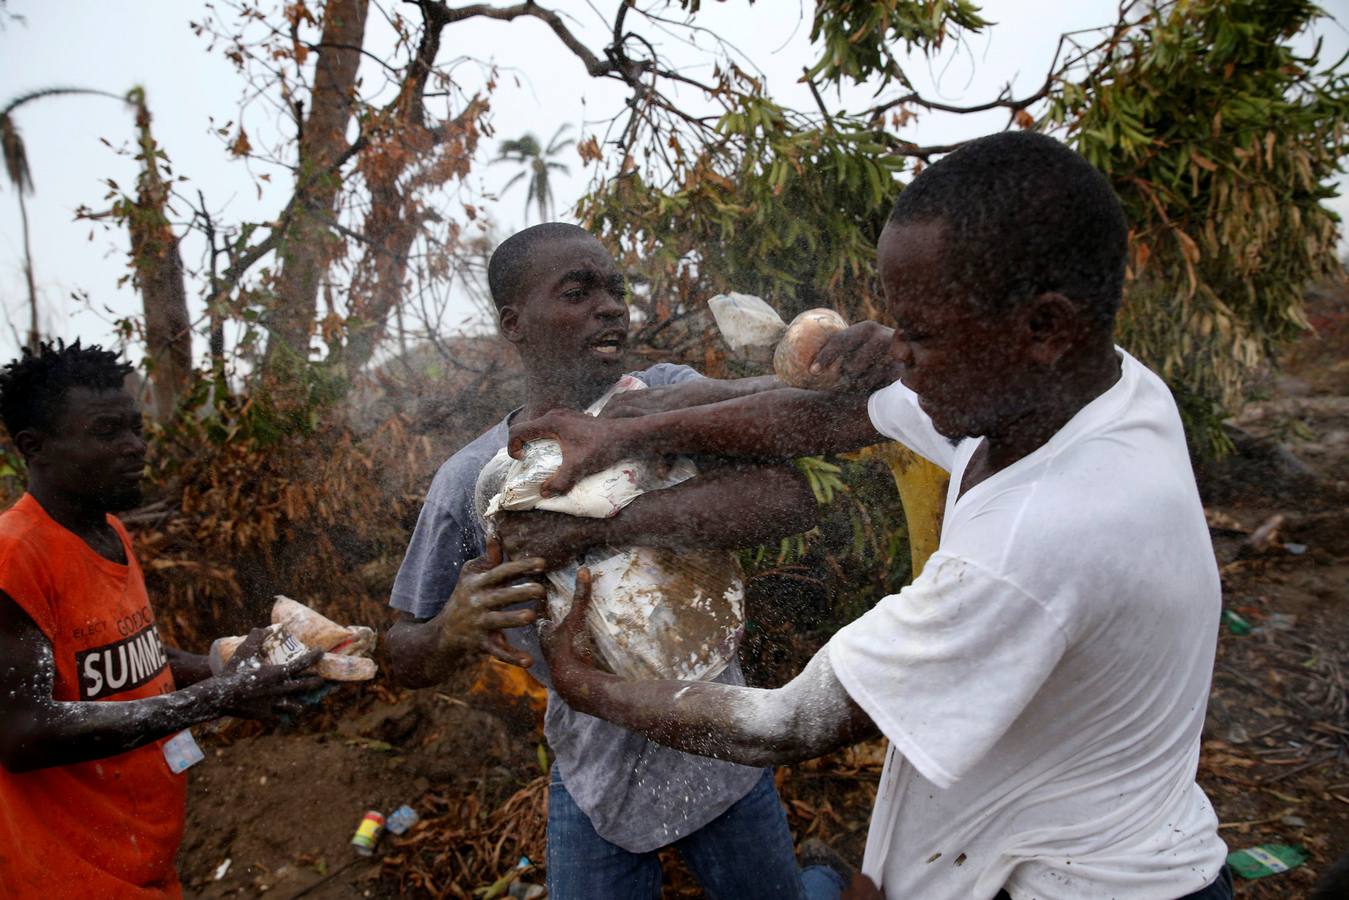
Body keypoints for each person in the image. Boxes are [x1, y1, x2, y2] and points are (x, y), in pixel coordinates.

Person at [515, 132, 1234, 900]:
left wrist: (578, 681)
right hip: (1050, 842)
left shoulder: (1037, 541)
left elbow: (787, 723)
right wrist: (631, 430)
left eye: (918, 334)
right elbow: (825, 421)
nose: (896, 352)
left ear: (1044, 328)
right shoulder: (1089, 389)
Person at [383, 222, 849, 899]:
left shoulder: (663, 396)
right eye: (577, 292)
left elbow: (790, 498)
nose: (609, 306)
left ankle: (821, 882)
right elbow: (398, 651)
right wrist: (451, 626)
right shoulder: (475, 480)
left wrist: (593, 528)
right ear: (515, 323)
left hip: (720, 739)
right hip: (595, 767)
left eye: (614, 289)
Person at [0, 340, 326, 898]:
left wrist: (225, 666)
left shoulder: (108, 532)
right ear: (36, 447)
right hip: (62, 877)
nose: (135, 447)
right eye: (107, 432)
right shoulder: (14, 556)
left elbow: (134, 661)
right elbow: (23, 732)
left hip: (142, 862)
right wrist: (218, 697)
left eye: (135, 428)